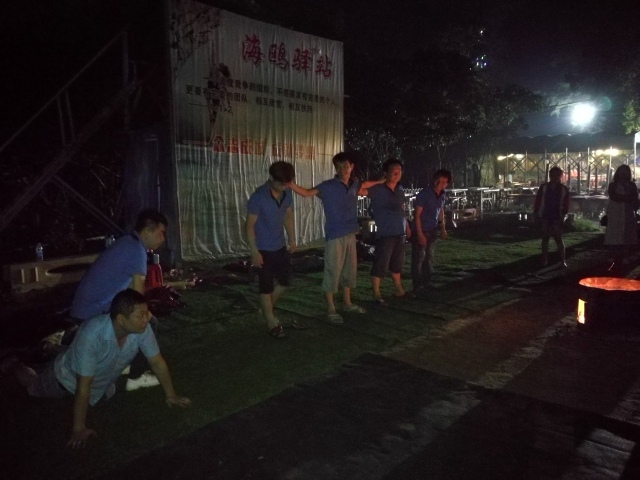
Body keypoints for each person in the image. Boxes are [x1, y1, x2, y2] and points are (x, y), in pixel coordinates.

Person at [0, 289, 191, 449]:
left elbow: (157, 362)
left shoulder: (141, 328)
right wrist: (79, 428)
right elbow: (83, 386)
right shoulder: (92, 334)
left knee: (90, 360)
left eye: (147, 312)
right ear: (121, 320)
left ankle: (49, 347)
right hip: (64, 378)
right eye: (140, 315)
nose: (147, 318)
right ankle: (15, 363)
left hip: (96, 369)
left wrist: (171, 395)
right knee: (32, 387)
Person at [69, 209, 168, 391]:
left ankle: (121, 363)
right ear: (147, 232)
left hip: (84, 308)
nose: (163, 238)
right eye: (161, 233)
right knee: (148, 321)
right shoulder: (136, 251)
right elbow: (137, 295)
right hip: (92, 312)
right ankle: (136, 377)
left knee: (131, 318)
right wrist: (145, 314)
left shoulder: (127, 242)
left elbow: (129, 289)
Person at [288, 152, 384, 324]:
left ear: (351, 167)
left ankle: (347, 303)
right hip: (334, 235)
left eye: (345, 166)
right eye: (339, 167)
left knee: (349, 270)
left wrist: (383, 181)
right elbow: (306, 193)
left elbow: (367, 185)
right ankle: (331, 308)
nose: (342, 170)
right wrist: (291, 184)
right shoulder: (328, 186)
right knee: (332, 270)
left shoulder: (354, 185)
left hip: (350, 234)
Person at [246, 161, 298, 338]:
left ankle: (265, 308)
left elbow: (288, 215)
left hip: (280, 245)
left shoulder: (287, 193)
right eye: (282, 183)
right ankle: (271, 322)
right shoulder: (258, 197)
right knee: (266, 286)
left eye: (287, 183)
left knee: (285, 282)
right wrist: (254, 251)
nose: (285, 187)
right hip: (263, 248)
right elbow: (249, 226)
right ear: (271, 179)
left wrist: (292, 238)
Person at [364, 158, 412, 305]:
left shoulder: (399, 189)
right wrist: (378, 181)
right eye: (393, 171)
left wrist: (407, 226)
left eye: (399, 170)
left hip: (400, 232)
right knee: (381, 264)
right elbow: (359, 188)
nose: (397, 173)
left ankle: (399, 290)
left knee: (397, 263)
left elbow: (401, 209)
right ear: (385, 173)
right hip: (386, 233)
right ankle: (376, 294)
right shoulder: (377, 189)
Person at [411, 169, 451, 294]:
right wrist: (419, 234)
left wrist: (442, 227)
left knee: (429, 257)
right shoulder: (424, 194)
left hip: (432, 229)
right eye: (440, 181)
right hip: (422, 229)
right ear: (435, 180)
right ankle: (417, 285)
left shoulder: (442, 194)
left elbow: (440, 210)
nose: (442, 184)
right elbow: (417, 215)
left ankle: (427, 282)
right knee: (419, 258)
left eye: (445, 182)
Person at [533, 166, 570, 267]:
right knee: (546, 238)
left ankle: (562, 261)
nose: (555, 177)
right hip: (546, 214)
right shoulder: (544, 187)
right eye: (553, 175)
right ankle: (546, 259)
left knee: (558, 239)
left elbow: (566, 203)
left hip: (556, 215)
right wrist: (536, 212)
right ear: (550, 176)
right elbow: (538, 200)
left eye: (557, 175)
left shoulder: (563, 189)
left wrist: (563, 214)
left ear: (560, 176)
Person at [604, 164, 639, 264]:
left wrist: (628, 200)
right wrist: (627, 198)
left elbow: (635, 197)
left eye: (626, 171)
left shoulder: (632, 185)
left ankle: (625, 255)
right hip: (615, 212)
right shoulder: (613, 185)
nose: (623, 173)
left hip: (628, 212)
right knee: (614, 233)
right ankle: (613, 255)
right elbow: (614, 196)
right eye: (622, 171)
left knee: (627, 234)